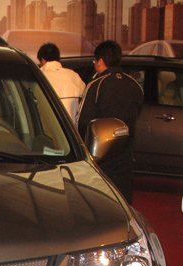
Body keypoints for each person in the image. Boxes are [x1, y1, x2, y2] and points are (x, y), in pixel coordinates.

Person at [77, 40, 144, 204]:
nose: (94, 64)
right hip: (126, 153)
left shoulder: (96, 84)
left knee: (102, 200)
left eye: (94, 61)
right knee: (123, 200)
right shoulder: (134, 85)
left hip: (101, 155)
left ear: (100, 61)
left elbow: (83, 121)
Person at [37, 42, 85, 123]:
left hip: (47, 127)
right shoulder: (73, 75)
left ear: (43, 60)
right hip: (72, 127)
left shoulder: (39, 76)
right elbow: (84, 97)